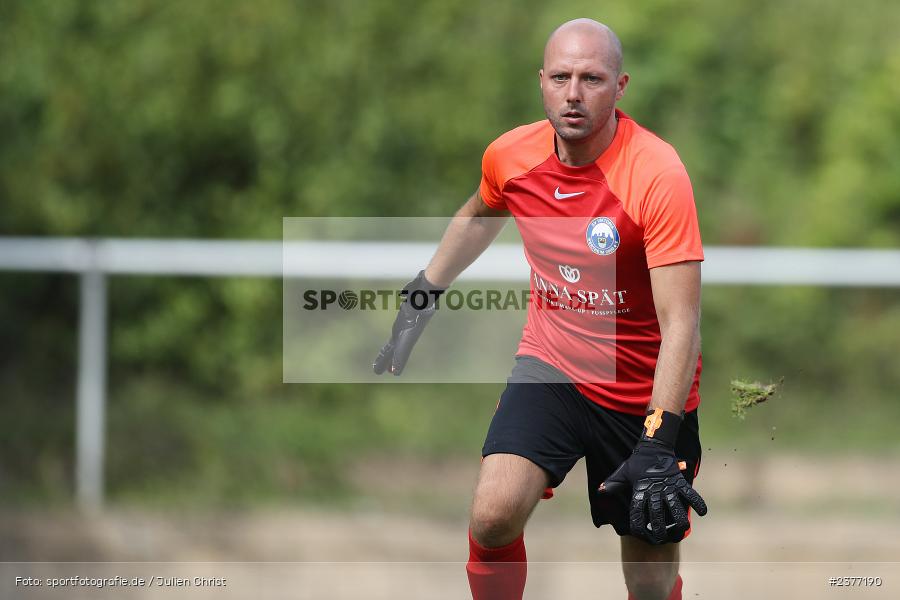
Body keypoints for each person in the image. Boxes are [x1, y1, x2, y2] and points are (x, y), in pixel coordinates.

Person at [374, 18, 707, 600]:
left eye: (591, 78)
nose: (574, 93)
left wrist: (658, 438)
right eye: (561, 77)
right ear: (542, 82)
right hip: (552, 368)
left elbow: (682, 323)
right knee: (493, 514)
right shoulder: (511, 155)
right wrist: (421, 297)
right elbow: (480, 215)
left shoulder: (657, 173)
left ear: (620, 86)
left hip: (643, 396)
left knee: (649, 582)